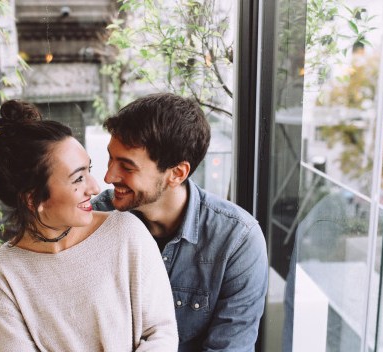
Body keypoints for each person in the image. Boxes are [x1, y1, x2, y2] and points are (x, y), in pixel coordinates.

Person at [0, 99, 178, 351]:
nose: (95, 187)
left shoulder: (126, 233)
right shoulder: (4, 271)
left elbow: (161, 334)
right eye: (78, 178)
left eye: (89, 170)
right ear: (33, 199)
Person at [91, 93, 269, 352]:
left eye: (127, 167)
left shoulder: (237, 241)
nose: (108, 176)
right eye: (110, 158)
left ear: (177, 174)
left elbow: (230, 347)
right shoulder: (95, 220)